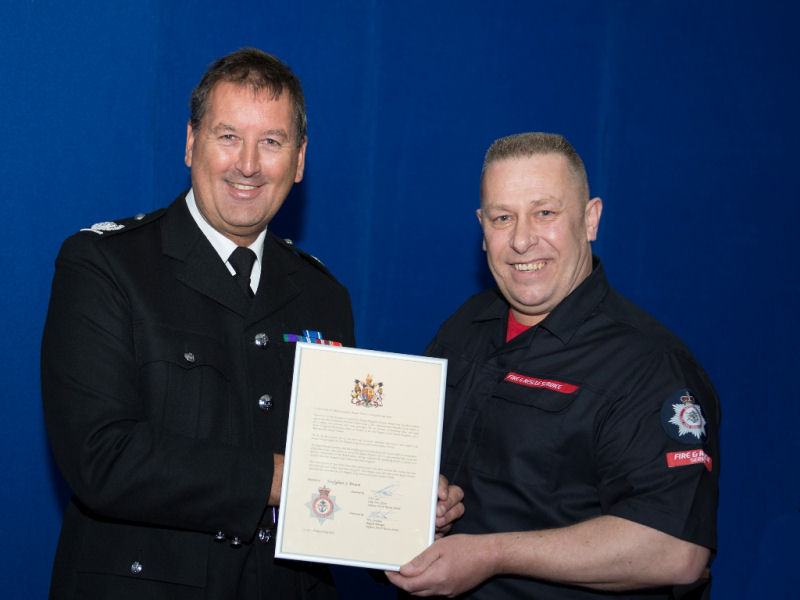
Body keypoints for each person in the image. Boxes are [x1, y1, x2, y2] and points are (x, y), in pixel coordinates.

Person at [42, 48, 462, 599]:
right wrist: (278, 479)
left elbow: (338, 477)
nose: (248, 164)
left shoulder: (323, 294)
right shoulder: (105, 266)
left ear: (299, 160)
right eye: (227, 136)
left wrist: (401, 506)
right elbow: (102, 460)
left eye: (272, 141)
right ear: (191, 142)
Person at [387, 132, 719, 599]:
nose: (522, 240)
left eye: (545, 213)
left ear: (590, 219)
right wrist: (423, 502)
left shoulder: (648, 366)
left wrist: (490, 554)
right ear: (482, 229)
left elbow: (675, 550)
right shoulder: (464, 328)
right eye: (503, 218)